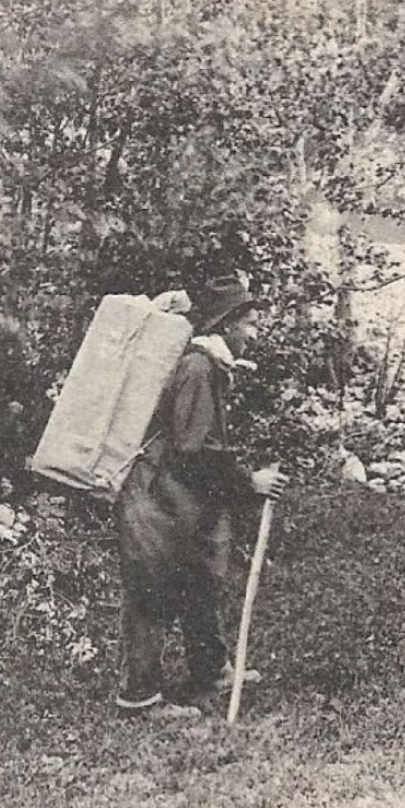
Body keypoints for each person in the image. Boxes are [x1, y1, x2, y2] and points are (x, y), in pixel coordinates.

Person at [116, 274, 283, 718]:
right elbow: (193, 450)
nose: (254, 332)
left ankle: (210, 670)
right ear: (226, 325)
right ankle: (140, 698)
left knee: (198, 581)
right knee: (154, 594)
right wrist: (249, 481)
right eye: (250, 323)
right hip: (155, 501)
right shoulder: (197, 368)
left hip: (177, 499)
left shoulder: (211, 366)